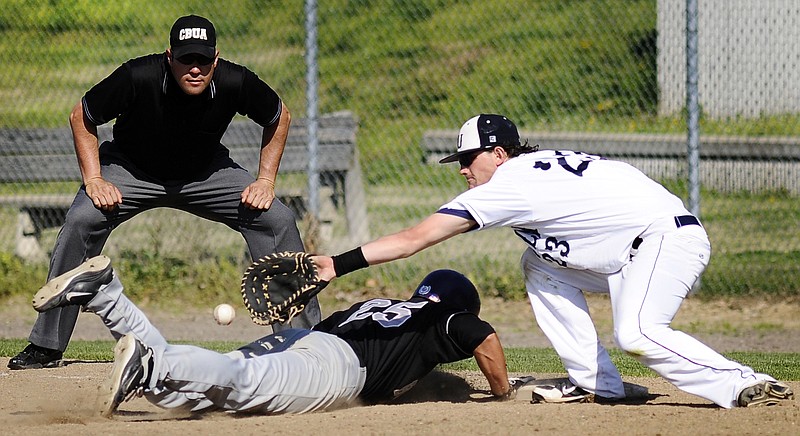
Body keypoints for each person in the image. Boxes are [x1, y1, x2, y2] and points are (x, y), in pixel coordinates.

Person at [311, 114, 794, 408]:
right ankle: (598, 383)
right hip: (632, 247)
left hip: (664, 241)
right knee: (539, 263)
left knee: (639, 334)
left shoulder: (510, 183)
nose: (462, 169)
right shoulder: (533, 170)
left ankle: (746, 381)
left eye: (469, 158)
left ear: (497, 154)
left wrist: (337, 263)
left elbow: (416, 239)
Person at [9, 15, 321, 370]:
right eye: (186, 59)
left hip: (205, 174)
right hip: (131, 170)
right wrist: (94, 178)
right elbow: (82, 114)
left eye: (203, 60)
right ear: (169, 56)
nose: (195, 69)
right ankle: (46, 345)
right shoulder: (137, 76)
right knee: (83, 219)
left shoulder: (235, 80)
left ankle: (305, 343)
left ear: (215, 59)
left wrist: (265, 182)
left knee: (276, 219)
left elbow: (279, 116)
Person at [31, 255, 514, 416]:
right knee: (237, 382)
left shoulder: (384, 307)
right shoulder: (439, 316)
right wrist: (501, 392)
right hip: (335, 368)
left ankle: (106, 296)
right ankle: (152, 364)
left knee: (198, 399)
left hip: (306, 341)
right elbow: (482, 336)